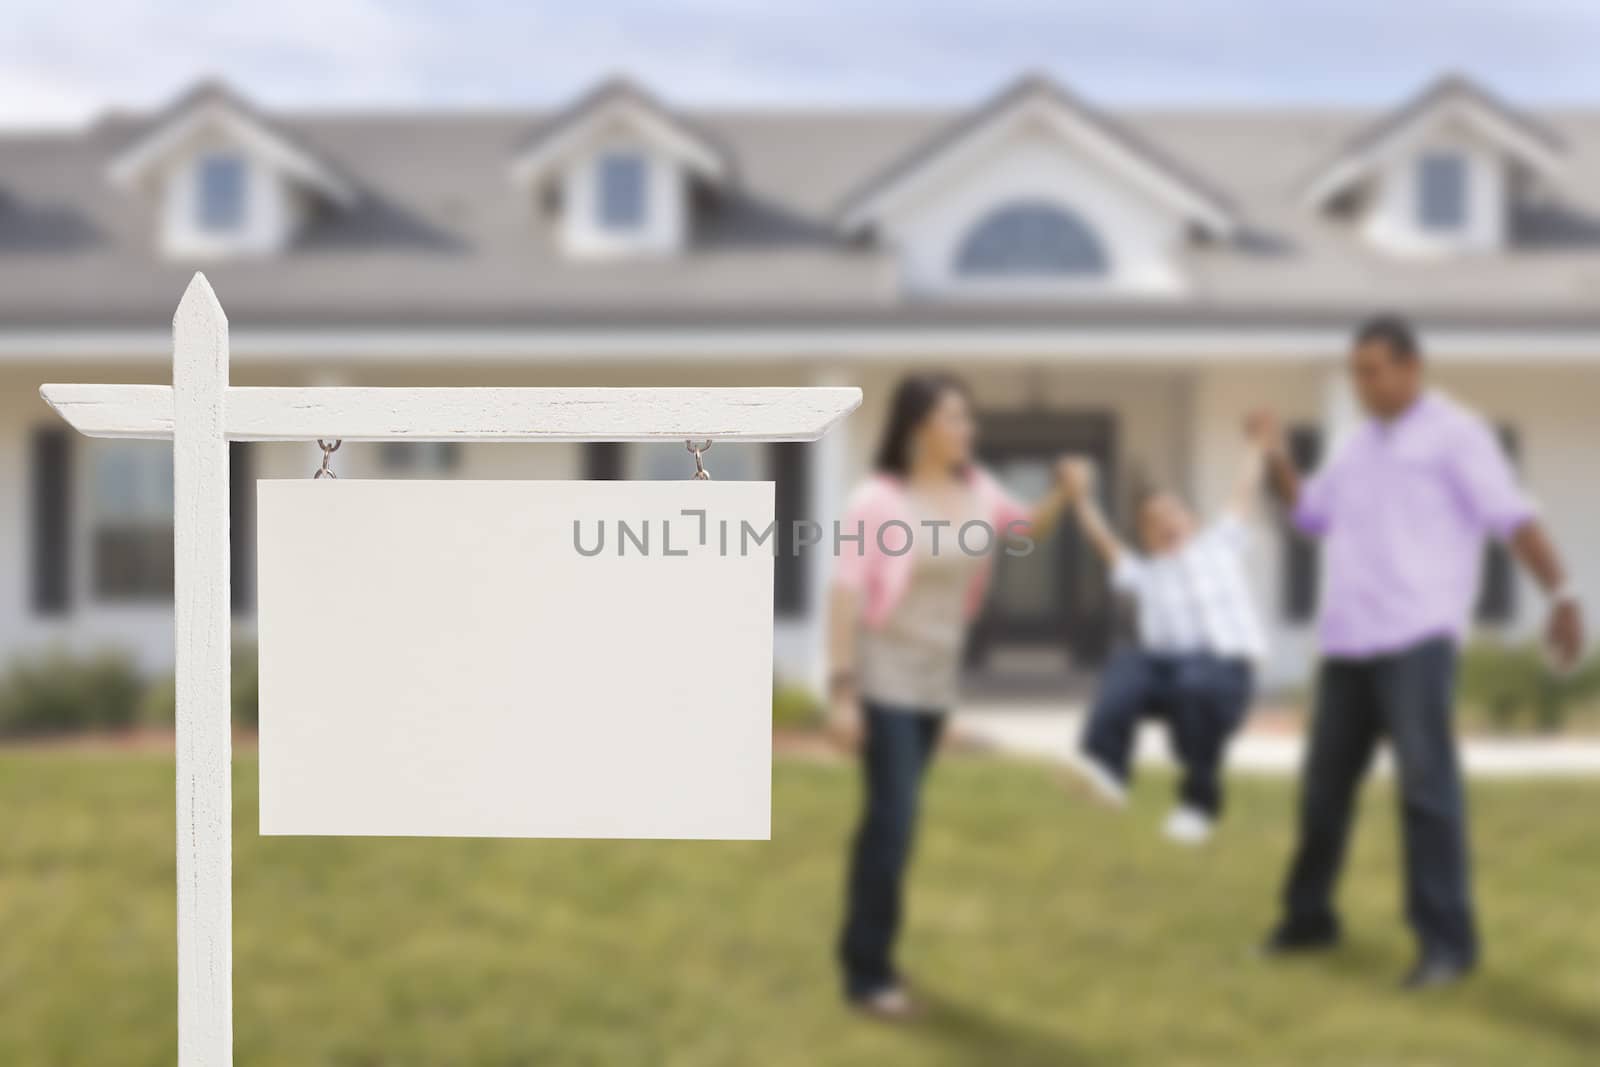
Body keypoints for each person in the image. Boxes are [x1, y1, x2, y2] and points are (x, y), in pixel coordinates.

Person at [1255, 314, 1585, 989]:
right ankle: (1309, 917)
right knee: (1322, 793)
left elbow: (1512, 517)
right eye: (1355, 371)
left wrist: (1564, 594)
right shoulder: (1354, 445)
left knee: (1426, 793)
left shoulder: (1457, 435)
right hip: (1348, 641)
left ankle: (1447, 942)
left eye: (1372, 370)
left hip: (1417, 638)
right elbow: (1309, 513)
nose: (1362, 383)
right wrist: (1276, 457)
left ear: (1411, 368)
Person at [828, 372, 1074, 1020]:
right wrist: (843, 690)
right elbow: (843, 593)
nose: (968, 430)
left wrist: (1061, 494)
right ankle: (869, 974)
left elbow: (1024, 532)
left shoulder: (977, 489)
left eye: (969, 418)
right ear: (919, 429)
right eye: (955, 419)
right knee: (895, 820)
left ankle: (863, 947)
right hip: (884, 678)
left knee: (888, 820)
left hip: (937, 682)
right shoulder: (877, 500)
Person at [1059, 443, 1267, 845]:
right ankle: (1106, 769)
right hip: (1169, 675)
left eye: (1172, 513)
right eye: (1152, 521)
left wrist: (1258, 446)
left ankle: (1198, 803)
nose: (1164, 523)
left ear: (1194, 520)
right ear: (1145, 538)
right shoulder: (1144, 573)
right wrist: (1080, 498)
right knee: (1127, 661)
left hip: (1225, 672)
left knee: (1193, 681)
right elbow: (1103, 541)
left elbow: (1243, 492)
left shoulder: (1219, 547)